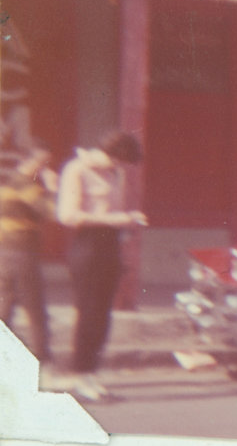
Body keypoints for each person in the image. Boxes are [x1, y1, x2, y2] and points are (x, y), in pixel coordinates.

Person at [56, 131, 147, 401]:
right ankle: (80, 374)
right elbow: (68, 215)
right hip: (88, 246)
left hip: (109, 246)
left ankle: (91, 373)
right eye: (120, 161)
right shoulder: (77, 169)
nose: (121, 168)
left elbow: (113, 214)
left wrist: (126, 226)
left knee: (103, 316)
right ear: (113, 154)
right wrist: (118, 219)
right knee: (89, 313)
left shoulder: (115, 174)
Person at [0, 142, 58, 367]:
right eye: (42, 163)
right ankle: (44, 361)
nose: (44, 169)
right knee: (35, 310)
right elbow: (51, 211)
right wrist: (53, 187)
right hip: (21, 253)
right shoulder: (24, 185)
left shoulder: (9, 182)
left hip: (6, 251)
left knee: (5, 307)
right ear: (28, 161)